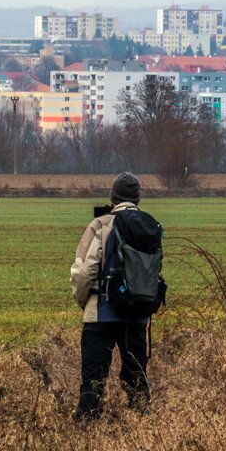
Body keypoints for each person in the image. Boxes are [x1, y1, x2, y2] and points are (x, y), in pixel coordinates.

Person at [69, 172, 151, 419]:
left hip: (101, 315)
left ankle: (86, 433)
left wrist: (85, 301)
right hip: (136, 315)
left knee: (93, 382)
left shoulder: (101, 224)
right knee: (137, 380)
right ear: (138, 198)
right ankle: (144, 428)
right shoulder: (148, 226)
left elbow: (85, 271)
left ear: (113, 196)